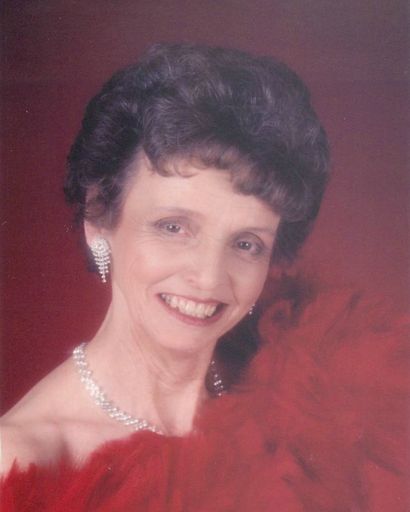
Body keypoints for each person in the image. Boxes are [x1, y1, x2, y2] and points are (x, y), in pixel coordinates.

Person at [1, 43, 408, 511]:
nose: (209, 277)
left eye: (246, 243)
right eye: (174, 227)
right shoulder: (20, 463)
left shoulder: (303, 405)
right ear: (99, 221)